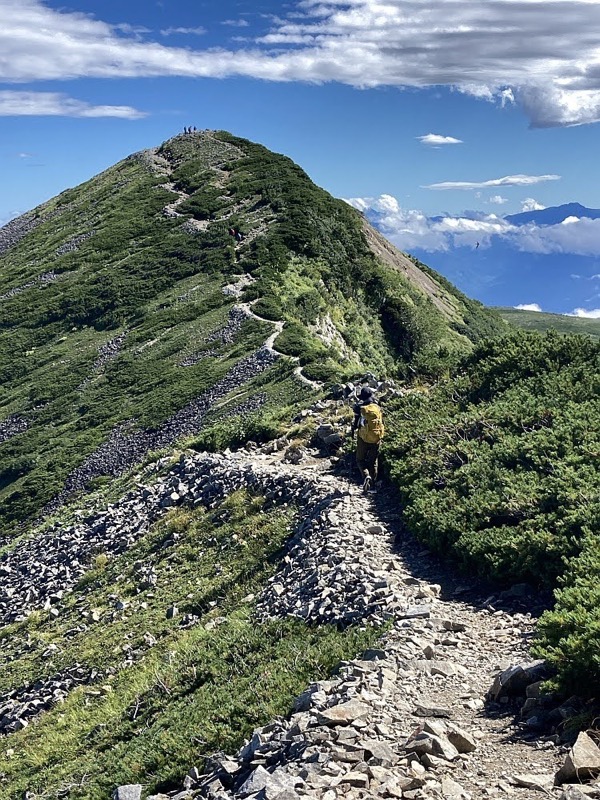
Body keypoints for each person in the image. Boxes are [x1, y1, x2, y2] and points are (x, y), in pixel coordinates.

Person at [351, 386, 385, 491]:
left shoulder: (360, 409)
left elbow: (356, 424)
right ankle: (373, 485)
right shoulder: (377, 407)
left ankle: (366, 476)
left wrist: (353, 430)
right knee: (373, 460)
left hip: (363, 438)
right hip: (376, 437)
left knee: (360, 459)